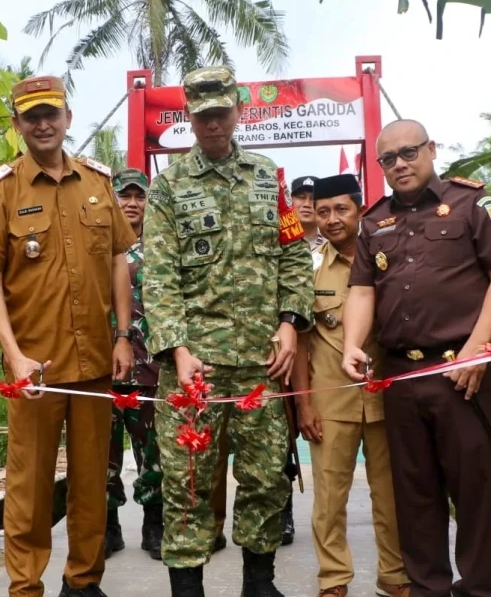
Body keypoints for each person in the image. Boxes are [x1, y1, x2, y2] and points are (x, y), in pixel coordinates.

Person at [142, 65, 314, 597]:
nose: (212, 125)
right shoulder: (168, 186)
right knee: (188, 484)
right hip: (196, 368)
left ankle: (258, 583)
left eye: (221, 114)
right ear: (190, 118)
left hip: (263, 361)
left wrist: (290, 326)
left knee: (265, 478)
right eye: (202, 117)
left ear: (238, 113)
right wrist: (179, 350)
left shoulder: (268, 177)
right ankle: (187, 588)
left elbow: (293, 256)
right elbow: (160, 276)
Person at [0, 75, 136, 597]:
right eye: (31, 116)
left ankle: (83, 582)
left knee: (92, 484)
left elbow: (118, 260)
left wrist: (124, 336)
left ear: (67, 117)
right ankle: (25, 586)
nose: (43, 124)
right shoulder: (1, 191)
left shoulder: (98, 183)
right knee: (30, 487)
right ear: (17, 125)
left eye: (51, 114)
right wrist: (12, 355)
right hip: (34, 369)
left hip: (96, 363)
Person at [342, 120, 491, 597]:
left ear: (431, 149)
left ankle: (478, 589)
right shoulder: (374, 221)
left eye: (409, 152)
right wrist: (352, 344)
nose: (400, 164)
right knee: (415, 496)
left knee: (473, 492)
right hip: (401, 374)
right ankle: (427, 590)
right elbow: (362, 290)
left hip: (462, 371)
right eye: (388, 159)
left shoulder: (471, 204)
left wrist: (478, 348)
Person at [291, 174, 409, 597]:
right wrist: (304, 405)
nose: (332, 219)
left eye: (341, 209)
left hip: (386, 400)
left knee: (391, 496)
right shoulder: (309, 268)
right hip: (330, 402)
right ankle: (333, 581)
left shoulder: (388, 258)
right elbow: (302, 342)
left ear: (360, 209)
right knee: (328, 502)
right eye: (323, 212)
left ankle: (394, 578)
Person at [105, 168, 164, 562]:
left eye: (138, 196)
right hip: (103, 368)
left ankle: (153, 524)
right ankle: (108, 527)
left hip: (150, 371)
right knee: (102, 453)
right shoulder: (99, 249)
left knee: (154, 453)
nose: (131, 203)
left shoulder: (161, 248)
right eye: (124, 196)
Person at [292, 176, 325, 253]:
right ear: (290, 201)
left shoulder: (332, 243)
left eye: (313, 198)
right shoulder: (276, 240)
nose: (307, 204)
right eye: (301, 197)